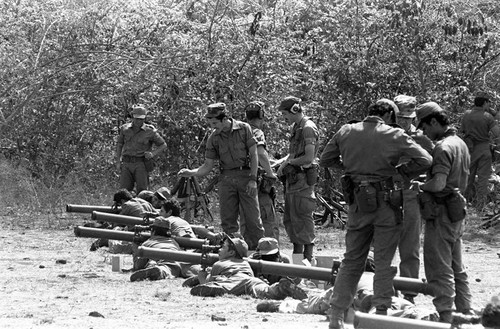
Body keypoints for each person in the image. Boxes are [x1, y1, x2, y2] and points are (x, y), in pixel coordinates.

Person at [319, 98, 433, 329]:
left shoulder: (346, 131)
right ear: (390, 115)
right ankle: (380, 312)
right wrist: (400, 172)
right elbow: (426, 159)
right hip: (386, 204)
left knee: (351, 259)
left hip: (357, 204)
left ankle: (336, 315)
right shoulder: (394, 135)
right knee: (383, 261)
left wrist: (352, 170)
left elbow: (326, 159)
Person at [414, 101, 473, 323]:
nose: (424, 132)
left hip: (441, 211)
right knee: (457, 266)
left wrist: (420, 186)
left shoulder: (442, 148)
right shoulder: (460, 143)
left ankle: (446, 315)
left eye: (425, 127)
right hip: (457, 209)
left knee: (439, 266)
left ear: (434, 121)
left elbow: (438, 184)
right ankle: (465, 311)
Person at [178, 102, 264, 250]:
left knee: (253, 220)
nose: (212, 126)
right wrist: (191, 172)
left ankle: (258, 254)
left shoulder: (244, 129)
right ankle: (231, 252)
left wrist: (253, 179)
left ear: (225, 119)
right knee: (227, 221)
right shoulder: (214, 137)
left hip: (246, 176)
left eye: (214, 123)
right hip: (226, 178)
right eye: (210, 123)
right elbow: (208, 166)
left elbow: (254, 154)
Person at [393, 95, 434, 304]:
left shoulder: (421, 139)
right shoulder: (384, 136)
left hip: (410, 194)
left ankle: (409, 292)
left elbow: (434, 162)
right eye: (401, 117)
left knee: (410, 245)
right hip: (386, 195)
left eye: (408, 118)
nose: (404, 122)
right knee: (384, 243)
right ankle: (384, 288)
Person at [189, 236, 308, 301]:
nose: (219, 250)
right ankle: (279, 289)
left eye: (223, 247)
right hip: (252, 281)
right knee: (265, 291)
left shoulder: (220, 264)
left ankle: (279, 288)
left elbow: (209, 281)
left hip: (235, 281)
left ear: (231, 253)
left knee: (223, 288)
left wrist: (201, 278)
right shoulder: (248, 261)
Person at [276, 96, 320, 264]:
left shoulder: (308, 128)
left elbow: (308, 158)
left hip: (302, 182)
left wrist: (289, 162)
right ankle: (297, 265)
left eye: (285, 113)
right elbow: (294, 153)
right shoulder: (297, 127)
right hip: (293, 182)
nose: (284, 118)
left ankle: (308, 263)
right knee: (292, 222)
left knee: (303, 222)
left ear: (294, 110)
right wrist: (280, 163)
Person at [241, 101, 279, 240]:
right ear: (261, 115)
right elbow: (261, 153)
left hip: (242, 182)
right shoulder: (256, 132)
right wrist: (270, 173)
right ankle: (270, 254)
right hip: (257, 184)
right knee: (267, 218)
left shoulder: (239, 132)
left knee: (246, 220)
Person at [130, 215, 201, 282]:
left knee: (165, 268)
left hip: (165, 262)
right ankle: (201, 274)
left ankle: (159, 271)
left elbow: (138, 265)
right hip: (179, 260)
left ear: (153, 231)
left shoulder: (148, 243)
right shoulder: (173, 241)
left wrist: (135, 247)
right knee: (189, 268)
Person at [115, 105, 168, 194]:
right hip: (126, 163)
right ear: (133, 117)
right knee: (123, 192)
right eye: (136, 118)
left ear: (144, 118)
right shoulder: (125, 129)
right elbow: (119, 144)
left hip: (141, 164)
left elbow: (163, 145)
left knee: (143, 192)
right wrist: (118, 161)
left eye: (141, 119)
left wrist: (152, 154)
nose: (138, 121)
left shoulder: (149, 131)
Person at [460, 91, 500, 208]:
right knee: (483, 178)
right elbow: (497, 133)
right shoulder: (487, 117)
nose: (489, 106)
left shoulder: (466, 114)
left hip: (469, 149)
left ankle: (464, 201)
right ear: (484, 103)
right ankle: (480, 204)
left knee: (468, 176)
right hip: (483, 149)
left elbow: (462, 131)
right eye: (488, 103)